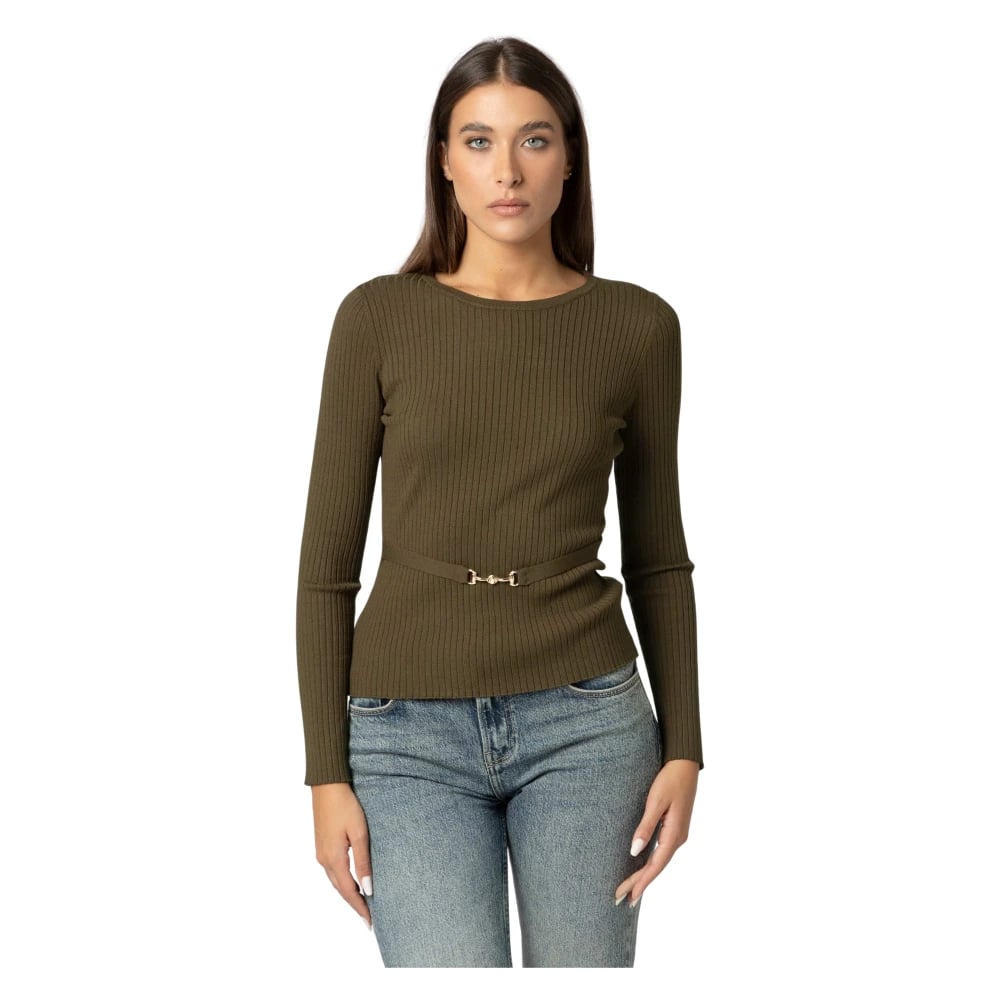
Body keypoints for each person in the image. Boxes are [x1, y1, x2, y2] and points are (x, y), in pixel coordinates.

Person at [295, 36, 704, 968]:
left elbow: (659, 555)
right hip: (404, 738)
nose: (507, 171)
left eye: (535, 139)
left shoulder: (638, 327)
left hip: (588, 724)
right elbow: (326, 570)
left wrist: (685, 745)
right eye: (478, 141)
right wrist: (324, 773)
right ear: (444, 161)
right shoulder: (378, 318)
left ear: (570, 159)